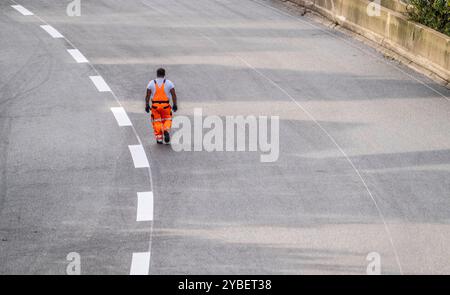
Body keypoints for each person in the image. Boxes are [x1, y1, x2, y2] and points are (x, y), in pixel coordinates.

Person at [145, 68, 178, 144]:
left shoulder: (151, 83)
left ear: (157, 74)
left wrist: (147, 105)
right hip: (165, 106)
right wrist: (175, 104)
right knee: (167, 119)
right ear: (164, 74)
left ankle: (159, 139)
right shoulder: (169, 83)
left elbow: (147, 95)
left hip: (155, 106)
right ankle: (166, 130)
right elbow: (173, 94)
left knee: (156, 122)